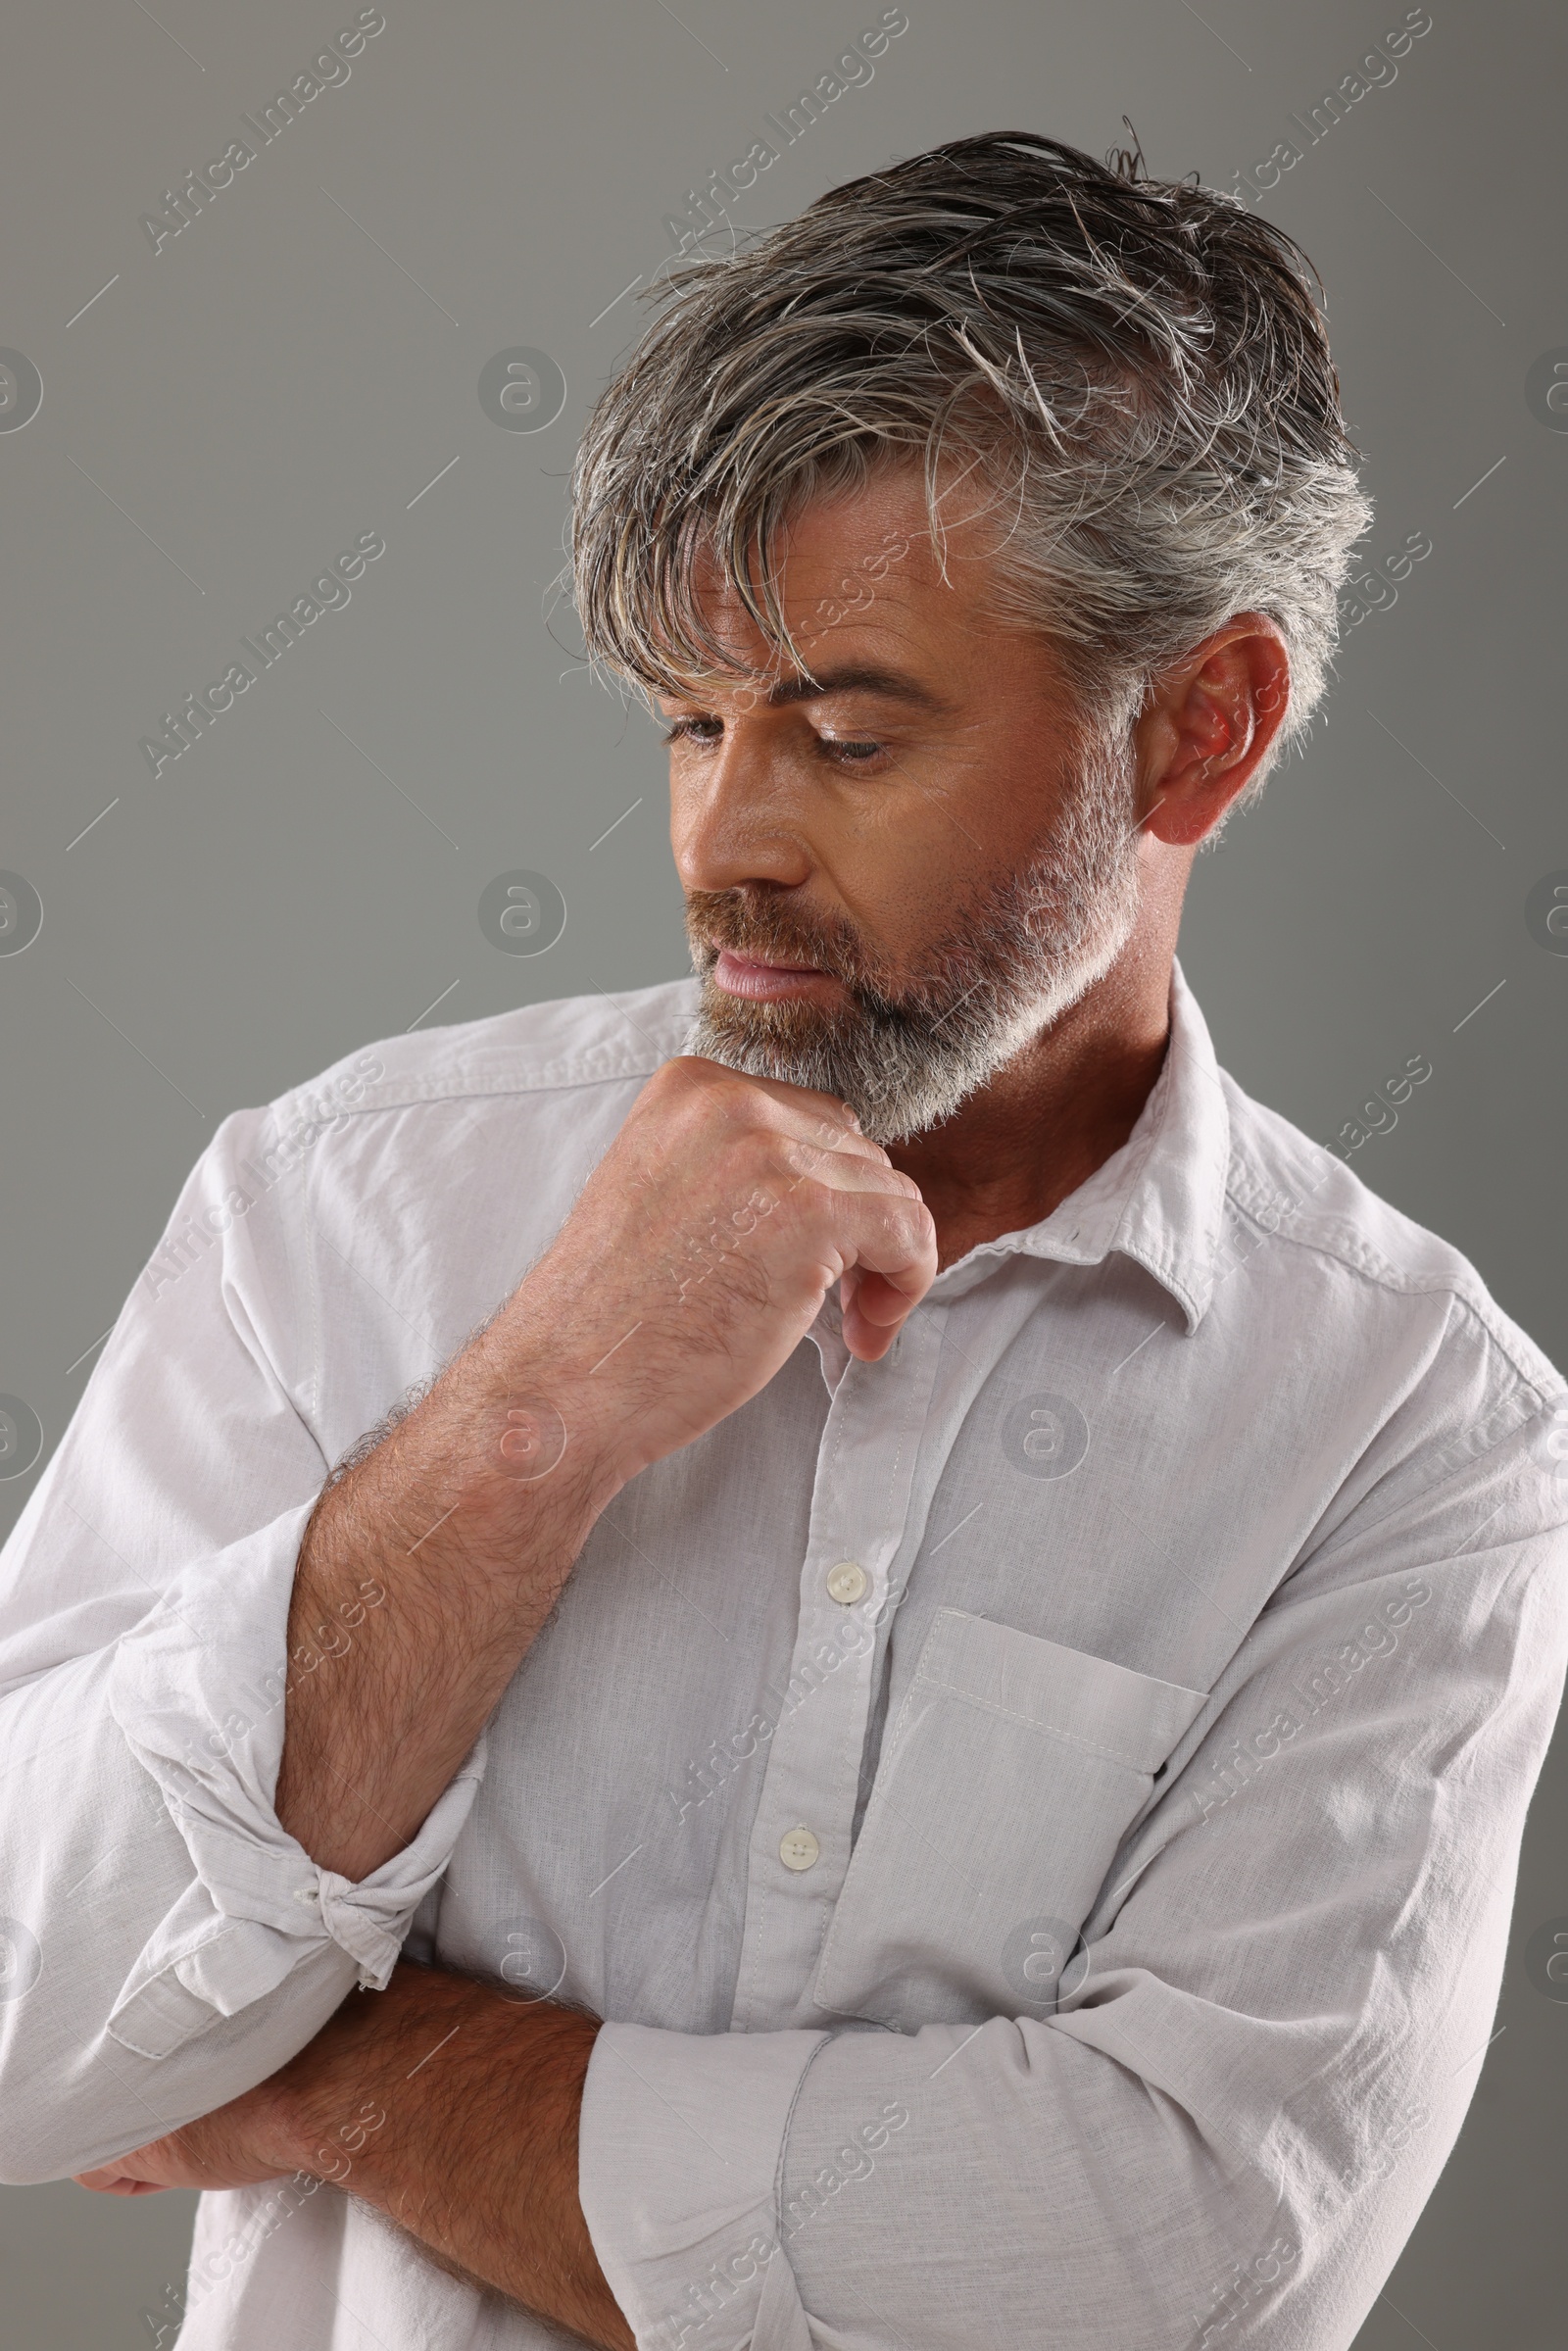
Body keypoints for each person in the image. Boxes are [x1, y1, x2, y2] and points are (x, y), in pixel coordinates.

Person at [1, 131, 1563, 2351]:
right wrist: (528, 1419)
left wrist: (338, 2074)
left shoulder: (1416, 1435)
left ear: (1196, 732)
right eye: (687, 721)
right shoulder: (342, 1205)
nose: (722, 840)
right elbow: (16, 2021)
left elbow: (1175, 2264)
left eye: (842, 731)